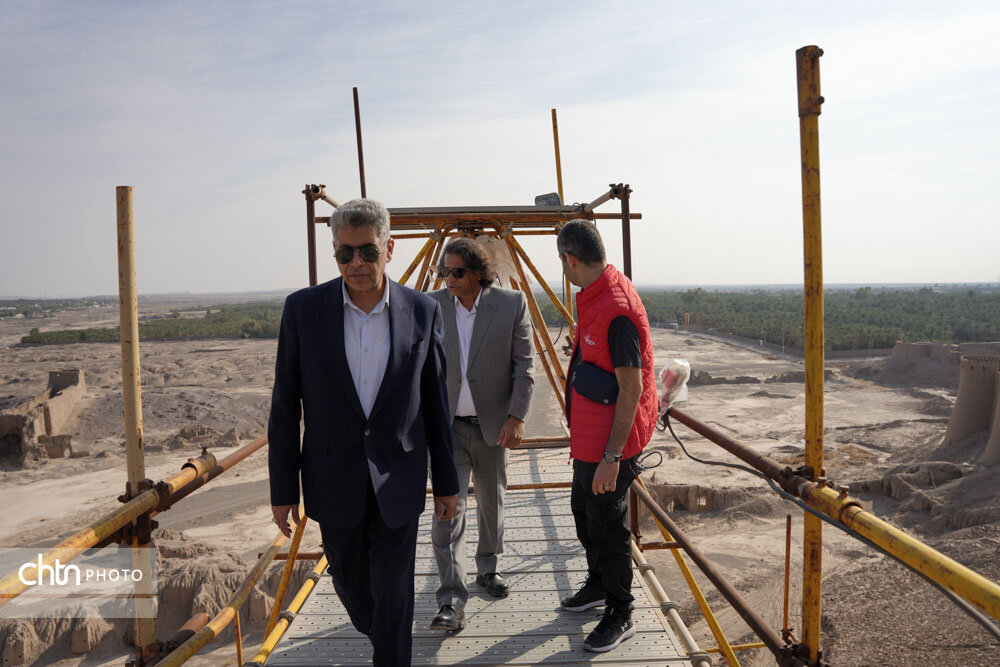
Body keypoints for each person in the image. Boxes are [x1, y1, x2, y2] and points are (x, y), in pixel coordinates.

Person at [268, 198, 459, 666]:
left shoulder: (422, 311)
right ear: (335, 252)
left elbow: (435, 402)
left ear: (389, 249)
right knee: (354, 590)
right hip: (333, 479)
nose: (356, 263)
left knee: (394, 598)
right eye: (345, 253)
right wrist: (283, 490)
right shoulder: (303, 310)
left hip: (399, 478)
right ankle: (385, 639)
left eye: (368, 252)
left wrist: (447, 482)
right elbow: (284, 406)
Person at [555, 219, 658, 653]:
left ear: (570, 260)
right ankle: (599, 584)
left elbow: (631, 388)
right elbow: (606, 359)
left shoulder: (616, 308)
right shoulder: (598, 291)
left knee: (607, 525)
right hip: (591, 435)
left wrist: (612, 458)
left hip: (610, 444)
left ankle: (620, 611)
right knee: (584, 511)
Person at [427, 238, 534, 631]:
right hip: (448, 430)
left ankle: (488, 567)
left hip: (493, 425)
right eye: (444, 271)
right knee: (448, 511)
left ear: (478, 272)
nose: (448, 279)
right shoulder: (431, 306)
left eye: (457, 272)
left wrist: (516, 416)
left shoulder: (511, 304)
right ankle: (450, 600)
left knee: (492, 502)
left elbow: (525, 366)